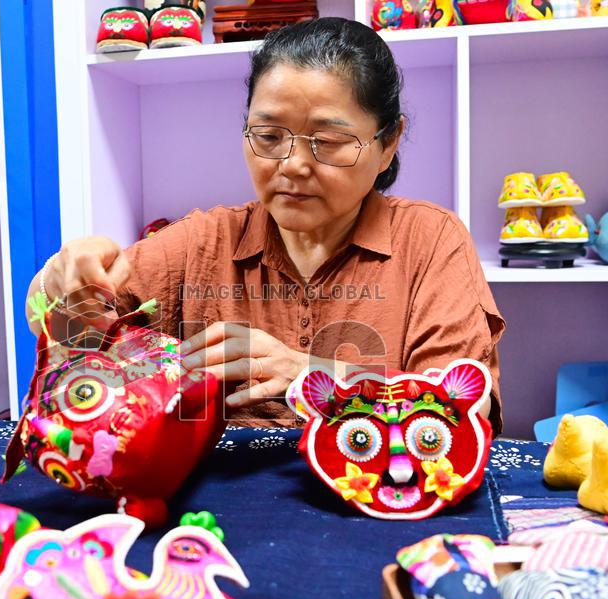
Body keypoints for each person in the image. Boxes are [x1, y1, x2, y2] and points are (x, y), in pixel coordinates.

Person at [28, 17, 505, 434]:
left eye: (330, 140)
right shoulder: (205, 240)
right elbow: (77, 339)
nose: (293, 164)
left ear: (387, 143)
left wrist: (311, 374)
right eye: (270, 136)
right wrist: (65, 282)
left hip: (388, 496)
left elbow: (463, 407)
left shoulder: (429, 240)